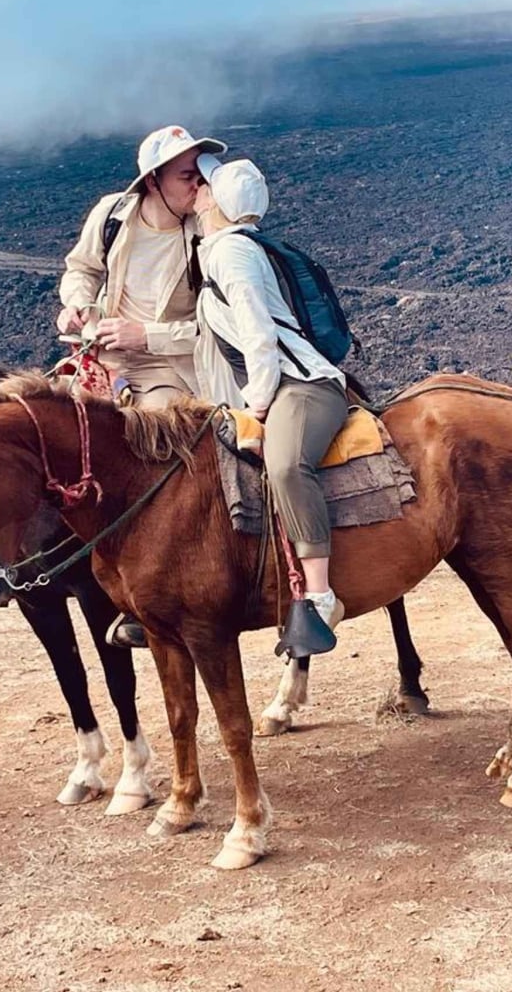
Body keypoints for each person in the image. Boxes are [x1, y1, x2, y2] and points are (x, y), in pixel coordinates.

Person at [191, 156, 349, 654]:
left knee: (285, 466)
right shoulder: (226, 247)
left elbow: (258, 336)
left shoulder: (231, 253)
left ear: (215, 201)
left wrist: (256, 405)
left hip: (301, 388)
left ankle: (320, 595)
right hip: (280, 386)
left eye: (203, 185)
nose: (196, 191)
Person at [57, 125, 227, 409]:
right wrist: (78, 304)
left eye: (201, 174)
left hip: (166, 368)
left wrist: (146, 336)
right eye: (187, 176)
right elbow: (81, 269)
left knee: (153, 434)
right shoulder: (113, 214)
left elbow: (221, 327)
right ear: (152, 181)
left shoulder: (210, 235)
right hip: (99, 355)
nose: (199, 184)